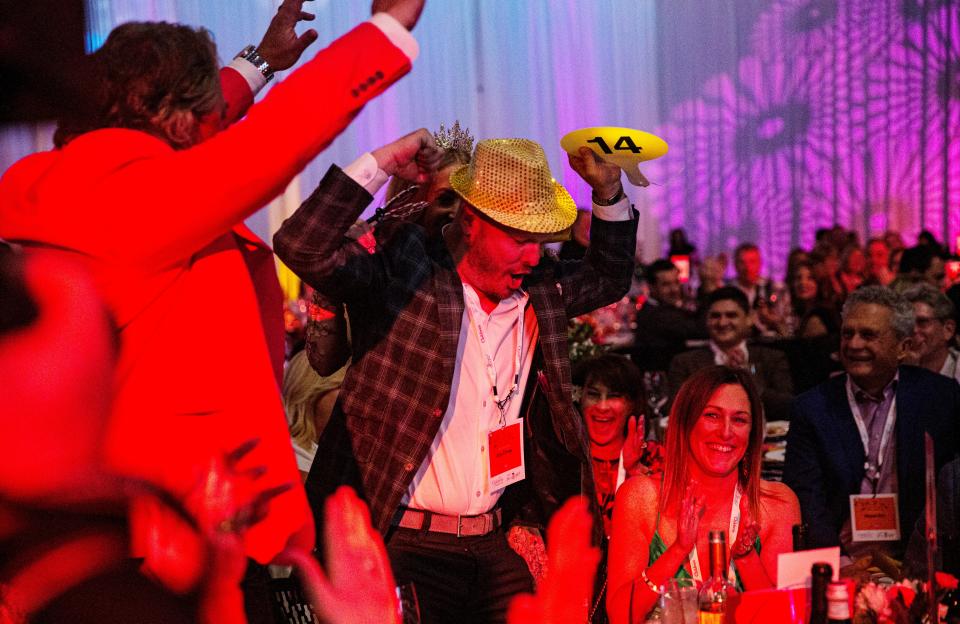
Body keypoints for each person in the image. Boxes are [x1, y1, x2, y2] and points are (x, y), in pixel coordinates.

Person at [0, 0, 424, 599]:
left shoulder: (55, 182)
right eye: (207, 113)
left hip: (121, 516)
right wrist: (387, 30)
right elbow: (272, 140)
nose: (216, 124)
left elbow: (177, 122)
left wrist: (258, 64)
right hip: (189, 526)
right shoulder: (146, 200)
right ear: (183, 122)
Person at [274, 134, 638, 623]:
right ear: (470, 222)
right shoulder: (409, 276)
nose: (533, 257)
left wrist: (610, 190)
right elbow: (301, 244)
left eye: (540, 242)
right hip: (400, 544)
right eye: (520, 239)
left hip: (490, 545)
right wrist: (381, 164)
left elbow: (609, 276)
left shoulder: (537, 290)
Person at [607, 366, 800, 623]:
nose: (726, 432)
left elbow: (782, 620)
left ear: (753, 433)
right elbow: (621, 616)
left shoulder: (778, 504)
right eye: (712, 415)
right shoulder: (640, 497)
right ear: (685, 422)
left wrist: (745, 556)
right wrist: (677, 550)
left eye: (740, 420)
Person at [783, 286, 960, 563]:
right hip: (843, 561)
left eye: (868, 335)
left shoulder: (941, 398)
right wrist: (838, 565)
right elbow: (806, 498)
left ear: (903, 347)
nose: (853, 344)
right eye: (847, 333)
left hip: (920, 559)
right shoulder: (813, 407)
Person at [670, 286, 794, 422]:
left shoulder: (772, 358)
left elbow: (788, 407)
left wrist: (747, 378)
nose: (722, 323)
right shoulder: (684, 362)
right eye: (715, 316)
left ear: (749, 319)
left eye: (731, 315)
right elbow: (676, 411)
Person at [574, 354, 663, 538]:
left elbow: (667, 524)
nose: (603, 406)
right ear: (579, 398)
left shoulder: (655, 456)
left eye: (614, 396)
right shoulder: (565, 457)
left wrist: (635, 471)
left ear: (631, 404)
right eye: (593, 395)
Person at [632, 259, 707, 372]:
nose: (674, 289)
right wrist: (708, 288)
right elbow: (701, 329)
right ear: (651, 287)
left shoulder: (660, 309)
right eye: (666, 284)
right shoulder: (656, 315)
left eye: (676, 282)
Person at [903, 283, 959, 383]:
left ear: (948, 329)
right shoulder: (892, 370)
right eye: (908, 322)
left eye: (922, 322)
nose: (913, 330)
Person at [731, 242, 786, 337]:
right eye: (742, 262)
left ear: (760, 263)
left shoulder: (774, 288)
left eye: (752, 262)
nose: (747, 268)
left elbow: (784, 321)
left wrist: (773, 320)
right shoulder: (728, 291)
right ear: (735, 265)